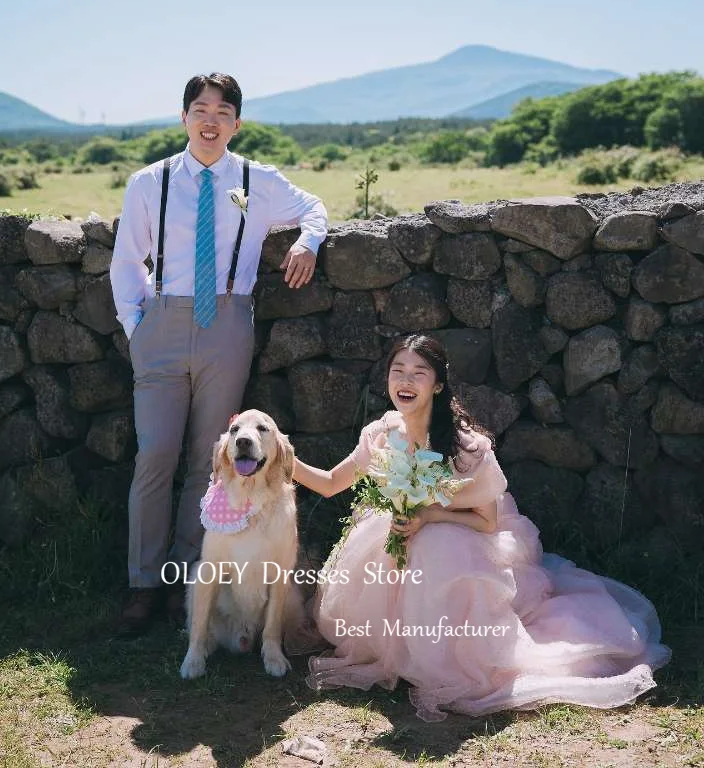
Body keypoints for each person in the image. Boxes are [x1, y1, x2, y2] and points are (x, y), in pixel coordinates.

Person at [292, 333, 671, 722]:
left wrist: (428, 515)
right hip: (402, 535)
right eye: (398, 371)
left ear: (437, 385)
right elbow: (329, 482)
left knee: (437, 544)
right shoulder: (381, 434)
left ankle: (444, 653)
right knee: (380, 542)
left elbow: (487, 520)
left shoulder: (464, 445)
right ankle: (401, 648)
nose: (405, 381)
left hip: (463, 539)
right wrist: (282, 458)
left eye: (418, 373)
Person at [111, 72, 327, 634]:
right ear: (184, 117)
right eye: (201, 109)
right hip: (162, 322)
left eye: (223, 111)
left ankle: (190, 583)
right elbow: (126, 262)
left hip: (228, 324)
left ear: (237, 122)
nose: (211, 120)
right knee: (154, 455)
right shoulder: (148, 183)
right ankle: (142, 587)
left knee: (210, 464)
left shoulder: (258, 179)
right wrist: (138, 327)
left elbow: (315, 208)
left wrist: (307, 241)